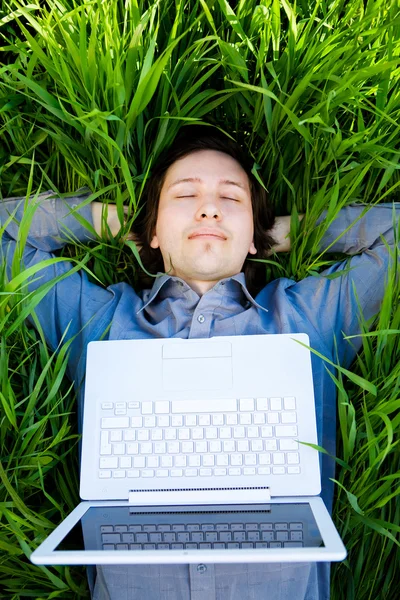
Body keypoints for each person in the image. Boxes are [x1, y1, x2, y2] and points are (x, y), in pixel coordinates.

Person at [1, 124, 399, 600]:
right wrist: (115, 222)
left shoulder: (309, 316)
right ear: (151, 229)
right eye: (184, 195)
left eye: (232, 199)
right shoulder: (99, 320)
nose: (209, 207)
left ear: (255, 233)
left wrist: (278, 232)